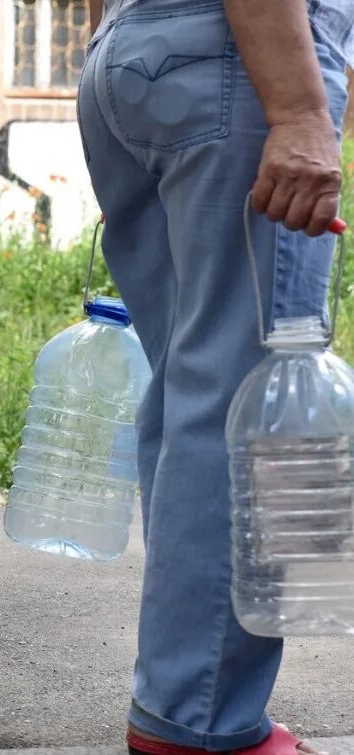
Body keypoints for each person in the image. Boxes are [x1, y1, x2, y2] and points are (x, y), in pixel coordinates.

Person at [79, 0, 350, 752]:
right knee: (246, 405)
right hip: (241, 57)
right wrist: (299, 107)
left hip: (135, 56)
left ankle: (186, 699)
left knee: (191, 393)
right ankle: (198, 721)